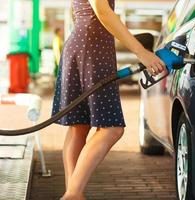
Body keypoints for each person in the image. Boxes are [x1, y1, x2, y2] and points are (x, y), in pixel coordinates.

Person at [51, 0, 166, 199]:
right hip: (92, 49)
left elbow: (83, 13)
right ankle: (72, 194)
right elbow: (102, 11)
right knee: (111, 129)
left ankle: (73, 193)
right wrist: (141, 52)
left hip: (85, 45)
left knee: (79, 126)